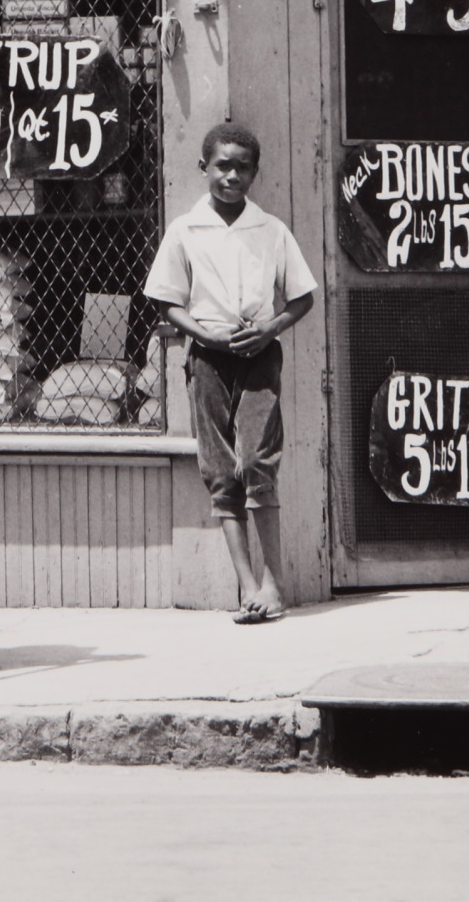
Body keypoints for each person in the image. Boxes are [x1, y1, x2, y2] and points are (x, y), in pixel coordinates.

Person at [144, 121, 317, 622]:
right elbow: (165, 300)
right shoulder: (185, 230)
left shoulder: (270, 229)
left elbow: (302, 296)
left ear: (255, 172)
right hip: (209, 356)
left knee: (259, 460)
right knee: (221, 471)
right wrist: (205, 335)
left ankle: (274, 584)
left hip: (259, 354)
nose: (232, 176)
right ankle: (246, 587)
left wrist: (271, 328)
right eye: (223, 165)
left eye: (243, 167)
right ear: (204, 168)